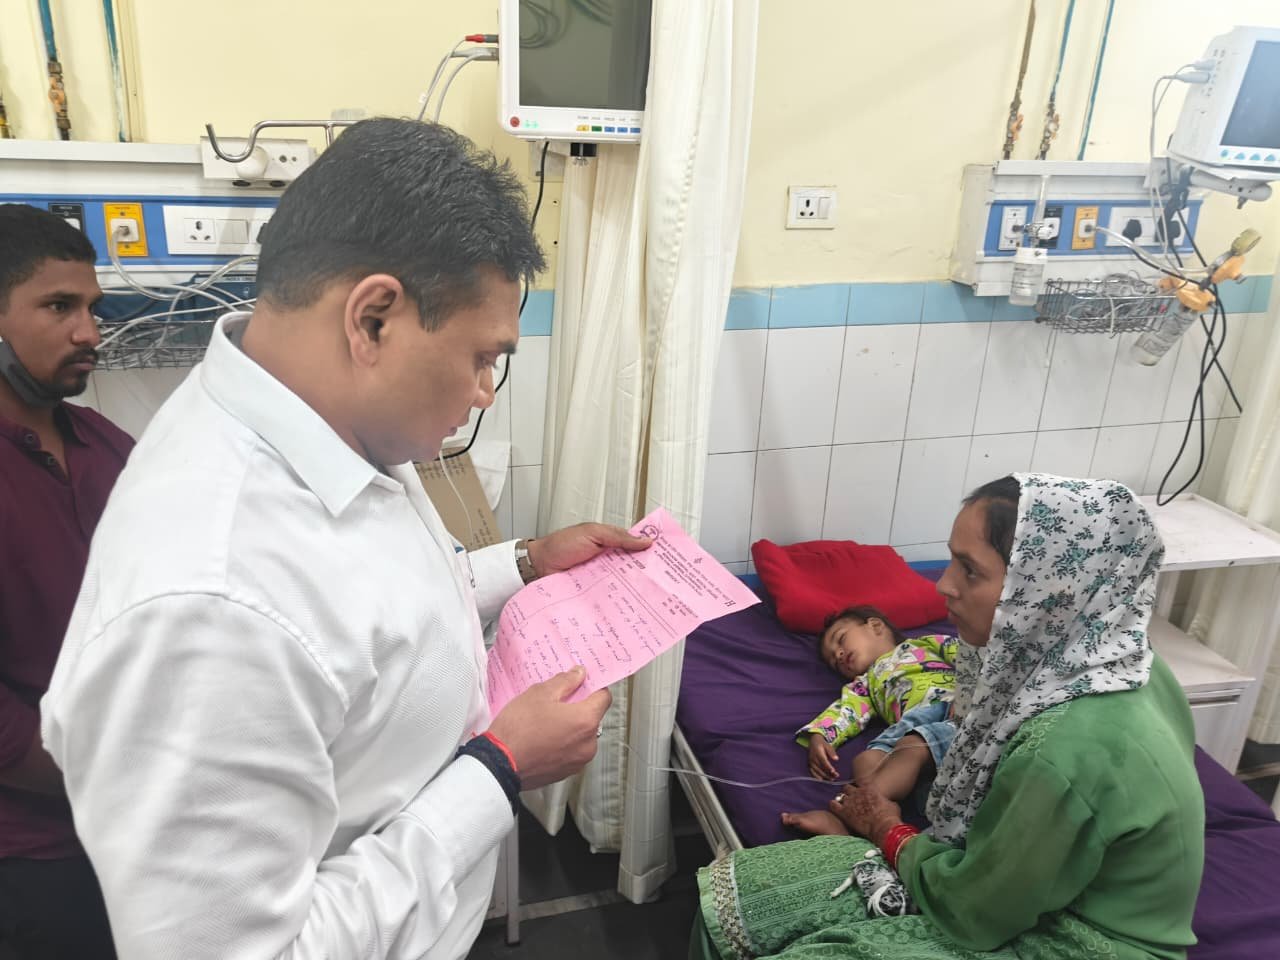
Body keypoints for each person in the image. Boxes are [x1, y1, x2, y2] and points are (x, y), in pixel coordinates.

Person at [41, 118, 650, 960]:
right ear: (372, 320)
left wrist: (527, 562)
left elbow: (370, 615)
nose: (485, 393)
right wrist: (500, 768)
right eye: (483, 358)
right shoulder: (210, 606)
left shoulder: (331, 426)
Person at [693, 473, 1205, 960]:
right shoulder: (1114, 662)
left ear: (1051, 589)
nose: (943, 586)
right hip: (1005, 883)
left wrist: (885, 830)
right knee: (739, 897)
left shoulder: (1062, 749)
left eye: (969, 570)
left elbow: (976, 911)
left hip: (1065, 936)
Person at [0, 204, 127, 958]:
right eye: (59, 307)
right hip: (33, 855)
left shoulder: (110, 451)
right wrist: (109, 776)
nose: (89, 332)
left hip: (137, 827)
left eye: (93, 308)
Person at [789, 606, 956, 805]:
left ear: (875, 626)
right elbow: (846, 711)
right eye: (835, 662)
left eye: (841, 639)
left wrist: (972, 692)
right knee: (865, 761)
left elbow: (973, 656)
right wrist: (820, 736)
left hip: (948, 707)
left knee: (911, 747)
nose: (839, 654)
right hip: (908, 727)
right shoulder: (864, 684)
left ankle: (865, 808)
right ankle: (880, 807)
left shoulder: (925, 644)